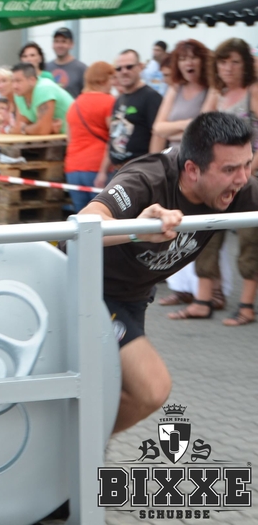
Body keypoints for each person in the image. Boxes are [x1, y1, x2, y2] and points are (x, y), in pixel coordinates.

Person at [78, 111, 258, 433]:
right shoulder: (148, 178)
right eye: (230, 169)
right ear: (192, 169)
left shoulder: (237, 188)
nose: (242, 178)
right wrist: (136, 230)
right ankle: (75, 449)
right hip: (85, 290)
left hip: (132, 297)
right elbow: (85, 223)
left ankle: (79, 448)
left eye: (248, 165)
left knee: (110, 388)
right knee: (151, 388)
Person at [173, 38, 258, 325]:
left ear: (246, 64)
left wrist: (245, 171)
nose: (228, 68)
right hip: (217, 178)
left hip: (250, 177)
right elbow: (201, 130)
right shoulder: (217, 93)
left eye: (235, 61)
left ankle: (246, 306)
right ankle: (203, 300)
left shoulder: (253, 91)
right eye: (223, 62)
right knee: (205, 233)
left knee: (250, 241)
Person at [149, 40, 212, 308]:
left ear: (202, 61)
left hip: (199, 164)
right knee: (173, 223)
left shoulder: (211, 89)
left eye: (193, 57)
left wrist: (173, 127)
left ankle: (207, 291)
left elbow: (205, 125)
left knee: (197, 225)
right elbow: (158, 127)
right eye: (183, 58)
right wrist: (187, 126)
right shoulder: (175, 88)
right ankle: (180, 287)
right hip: (174, 161)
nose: (188, 63)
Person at [96, 50, 163, 186]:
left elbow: (158, 135)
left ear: (140, 67)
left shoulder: (151, 97)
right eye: (119, 68)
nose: (124, 71)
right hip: (117, 172)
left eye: (129, 67)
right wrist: (102, 172)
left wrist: (152, 172)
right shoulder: (119, 99)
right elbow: (112, 137)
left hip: (139, 173)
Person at [64, 62, 116, 211]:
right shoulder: (110, 102)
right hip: (98, 167)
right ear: (103, 80)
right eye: (111, 78)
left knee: (81, 216)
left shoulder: (75, 104)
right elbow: (114, 137)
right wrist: (103, 171)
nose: (113, 83)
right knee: (103, 214)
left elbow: (69, 138)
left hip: (73, 168)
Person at [12, 63, 74, 135]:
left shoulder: (44, 88)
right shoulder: (19, 94)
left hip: (76, 134)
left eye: (18, 81)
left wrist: (24, 129)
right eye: (13, 81)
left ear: (32, 80)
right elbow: (18, 127)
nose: (14, 86)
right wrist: (38, 127)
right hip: (59, 137)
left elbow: (42, 130)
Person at [45, 28, 87, 98]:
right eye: (56, 41)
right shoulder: (46, 68)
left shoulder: (81, 69)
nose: (59, 45)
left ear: (71, 44)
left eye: (63, 41)